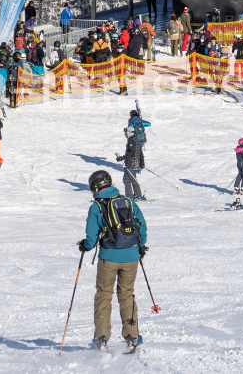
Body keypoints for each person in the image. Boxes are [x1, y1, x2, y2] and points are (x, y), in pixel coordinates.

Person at [78, 170, 148, 352]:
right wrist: (140, 246)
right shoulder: (128, 202)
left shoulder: (96, 207)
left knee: (103, 295)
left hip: (108, 258)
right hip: (132, 256)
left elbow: (91, 239)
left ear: (95, 186)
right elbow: (142, 226)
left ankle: (101, 338)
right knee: (126, 294)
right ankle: (132, 336)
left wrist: (85, 246)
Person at [115, 129, 145, 200]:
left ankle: (130, 197)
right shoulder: (135, 140)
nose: (125, 134)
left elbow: (131, 153)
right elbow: (140, 152)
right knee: (133, 179)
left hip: (131, 164)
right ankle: (138, 195)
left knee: (126, 180)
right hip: (135, 164)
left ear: (129, 132)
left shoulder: (131, 141)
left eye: (125, 132)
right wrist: (142, 162)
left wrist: (122, 158)